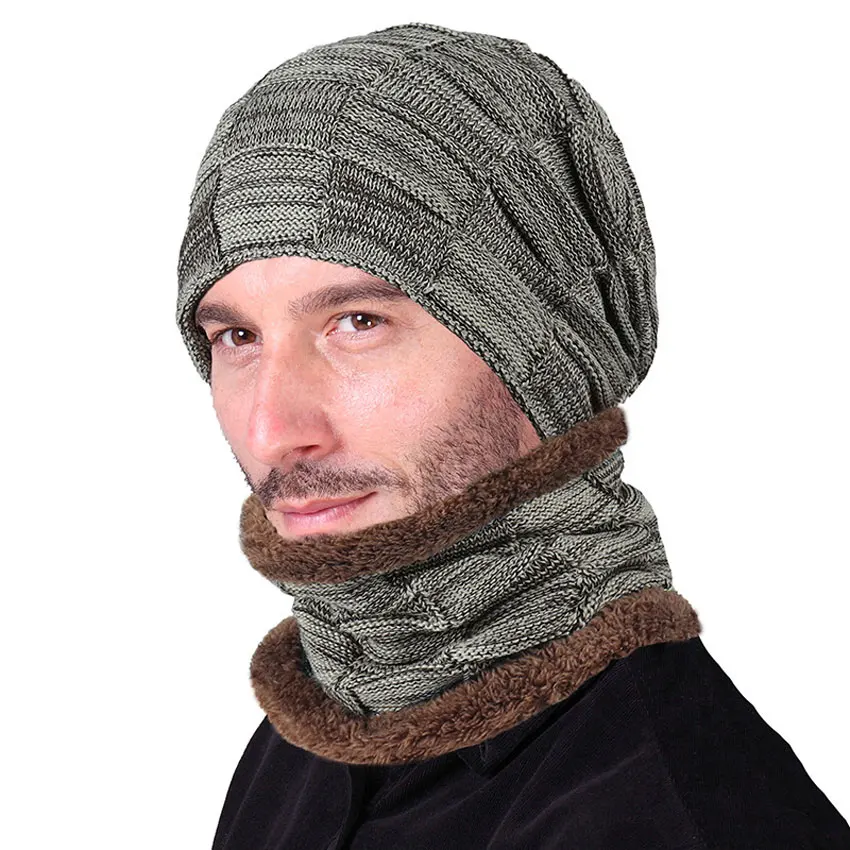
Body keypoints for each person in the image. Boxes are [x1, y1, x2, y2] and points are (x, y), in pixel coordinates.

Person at [175, 21, 850, 850]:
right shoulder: (306, 741)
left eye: (357, 322)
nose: (272, 430)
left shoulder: (669, 811)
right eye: (237, 337)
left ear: (545, 350)